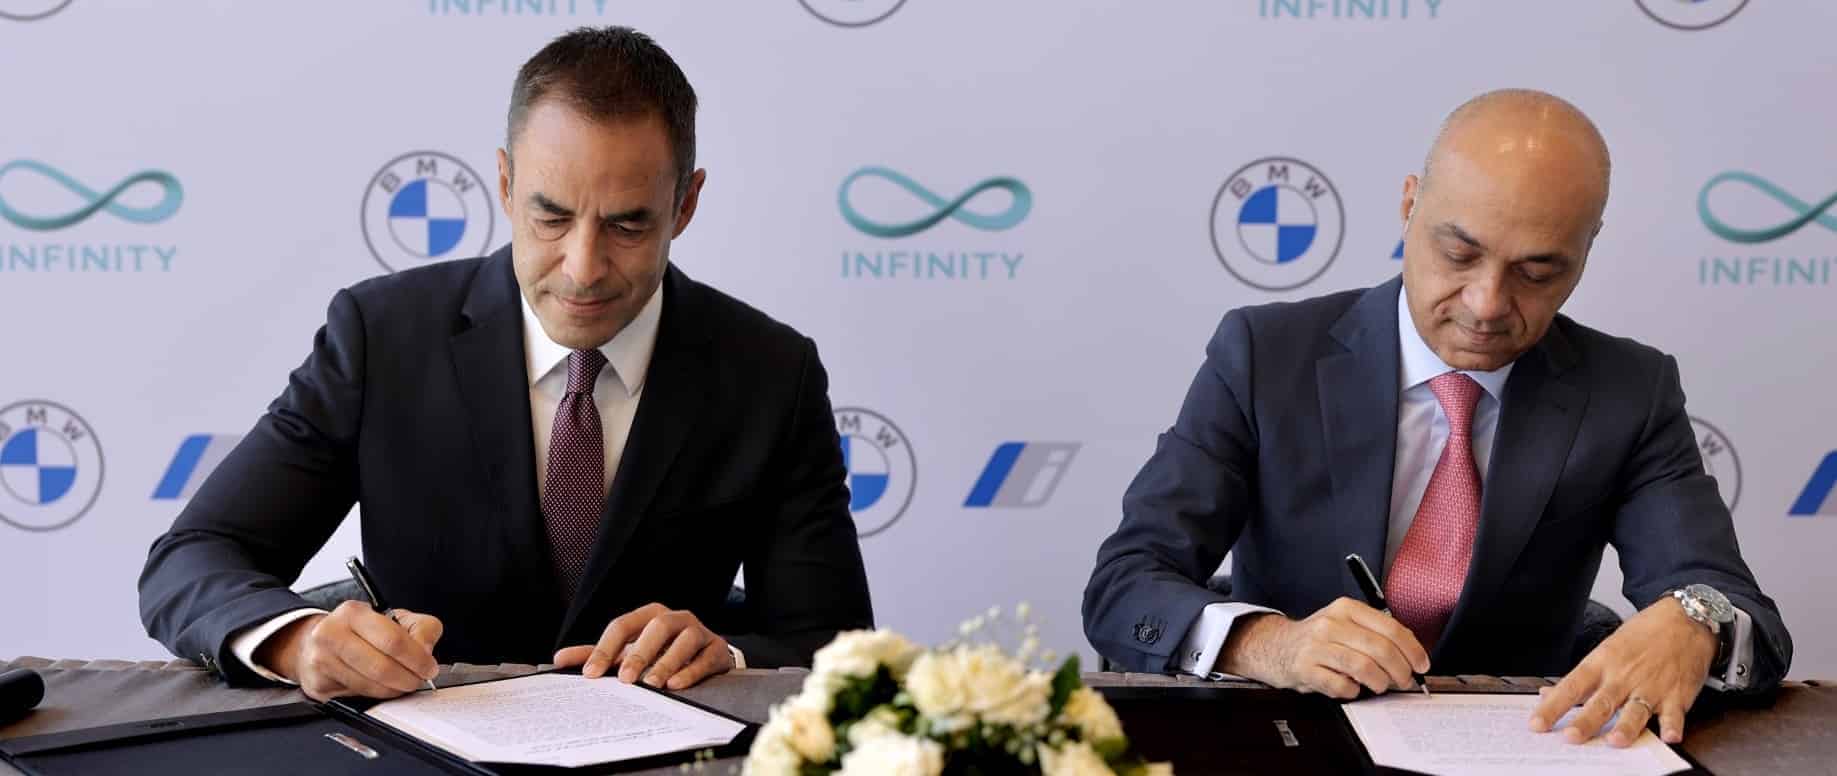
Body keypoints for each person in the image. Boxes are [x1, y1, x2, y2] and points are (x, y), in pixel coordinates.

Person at [138, 26, 873, 701]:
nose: (582, 268)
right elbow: (193, 558)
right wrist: (298, 641)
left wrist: (729, 656)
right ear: (504, 183)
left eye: (626, 225)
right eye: (550, 216)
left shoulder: (770, 373)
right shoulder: (381, 336)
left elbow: (833, 645)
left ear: (685, 205)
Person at [1083, 89, 1790, 747]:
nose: (1486, 304)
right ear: (1408, 207)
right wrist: (1267, 645)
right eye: (1459, 254)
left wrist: (1698, 624)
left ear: (1586, 251)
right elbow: (1125, 583)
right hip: (1296, 741)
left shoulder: (1628, 392)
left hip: (1521, 750)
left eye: (1537, 273)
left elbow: (1741, 613)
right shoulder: (1265, 356)